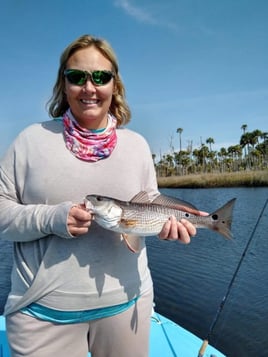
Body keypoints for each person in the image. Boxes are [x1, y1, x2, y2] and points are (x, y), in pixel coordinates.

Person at [0, 34, 198, 357]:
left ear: (114, 85)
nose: (89, 88)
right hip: (43, 319)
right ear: (63, 85)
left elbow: (149, 209)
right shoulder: (29, 141)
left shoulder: (137, 146)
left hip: (127, 308)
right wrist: (53, 218)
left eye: (101, 77)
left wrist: (168, 227)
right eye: (77, 77)